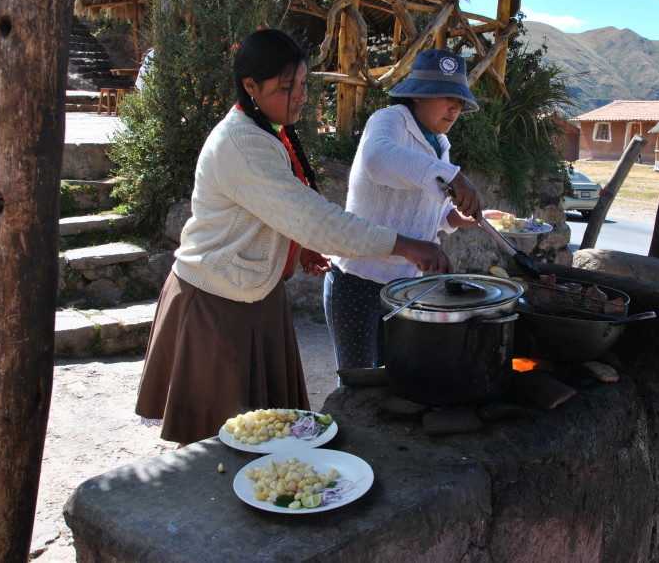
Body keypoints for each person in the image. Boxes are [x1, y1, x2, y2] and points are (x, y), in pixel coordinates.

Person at [134, 29, 451, 446]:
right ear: (250, 86)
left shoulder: (268, 130)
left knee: (262, 439)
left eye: (303, 84)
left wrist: (297, 245)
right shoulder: (244, 144)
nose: (301, 96)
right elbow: (313, 217)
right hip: (215, 304)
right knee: (212, 447)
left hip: (255, 297)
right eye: (288, 87)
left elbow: (280, 210)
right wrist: (406, 245)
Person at [323, 48, 508, 375]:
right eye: (446, 96)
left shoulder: (440, 145)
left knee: (393, 375)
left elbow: (430, 214)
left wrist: (458, 218)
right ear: (419, 96)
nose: (456, 106)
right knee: (357, 383)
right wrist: (454, 176)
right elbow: (378, 159)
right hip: (357, 280)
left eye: (460, 100)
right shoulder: (390, 120)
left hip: (404, 285)